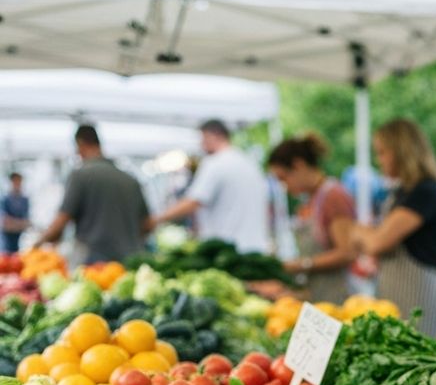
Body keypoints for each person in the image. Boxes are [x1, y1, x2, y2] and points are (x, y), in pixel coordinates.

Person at [349, 119, 436, 338]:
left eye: (382, 152)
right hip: (401, 298)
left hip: (423, 301)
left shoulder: (424, 191)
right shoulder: (402, 192)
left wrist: (357, 230)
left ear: (401, 151)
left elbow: (377, 242)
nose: (379, 160)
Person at [148, 119, 268, 252]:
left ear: (215, 135)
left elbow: (194, 201)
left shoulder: (215, 163)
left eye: (203, 138)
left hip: (226, 249)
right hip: (256, 247)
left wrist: (156, 219)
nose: (201, 145)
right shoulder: (249, 163)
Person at [35, 125, 149, 264]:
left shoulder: (81, 175)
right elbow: (147, 224)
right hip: (130, 261)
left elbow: (61, 222)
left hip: (95, 265)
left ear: (80, 144)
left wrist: (36, 245)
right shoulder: (130, 180)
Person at [268, 134, 356, 304]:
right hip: (318, 295)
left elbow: (347, 252)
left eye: (283, 178)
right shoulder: (310, 199)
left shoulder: (333, 195)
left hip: (338, 297)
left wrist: (301, 264)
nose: (284, 186)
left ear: (299, 165)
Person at [1, 173, 30, 253]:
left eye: (19, 181)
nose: (17, 183)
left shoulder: (24, 200)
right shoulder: (5, 199)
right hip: (6, 241)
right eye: (15, 181)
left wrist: (14, 224)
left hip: (21, 239)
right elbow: (5, 223)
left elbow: (26, 223)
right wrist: (19, 224)